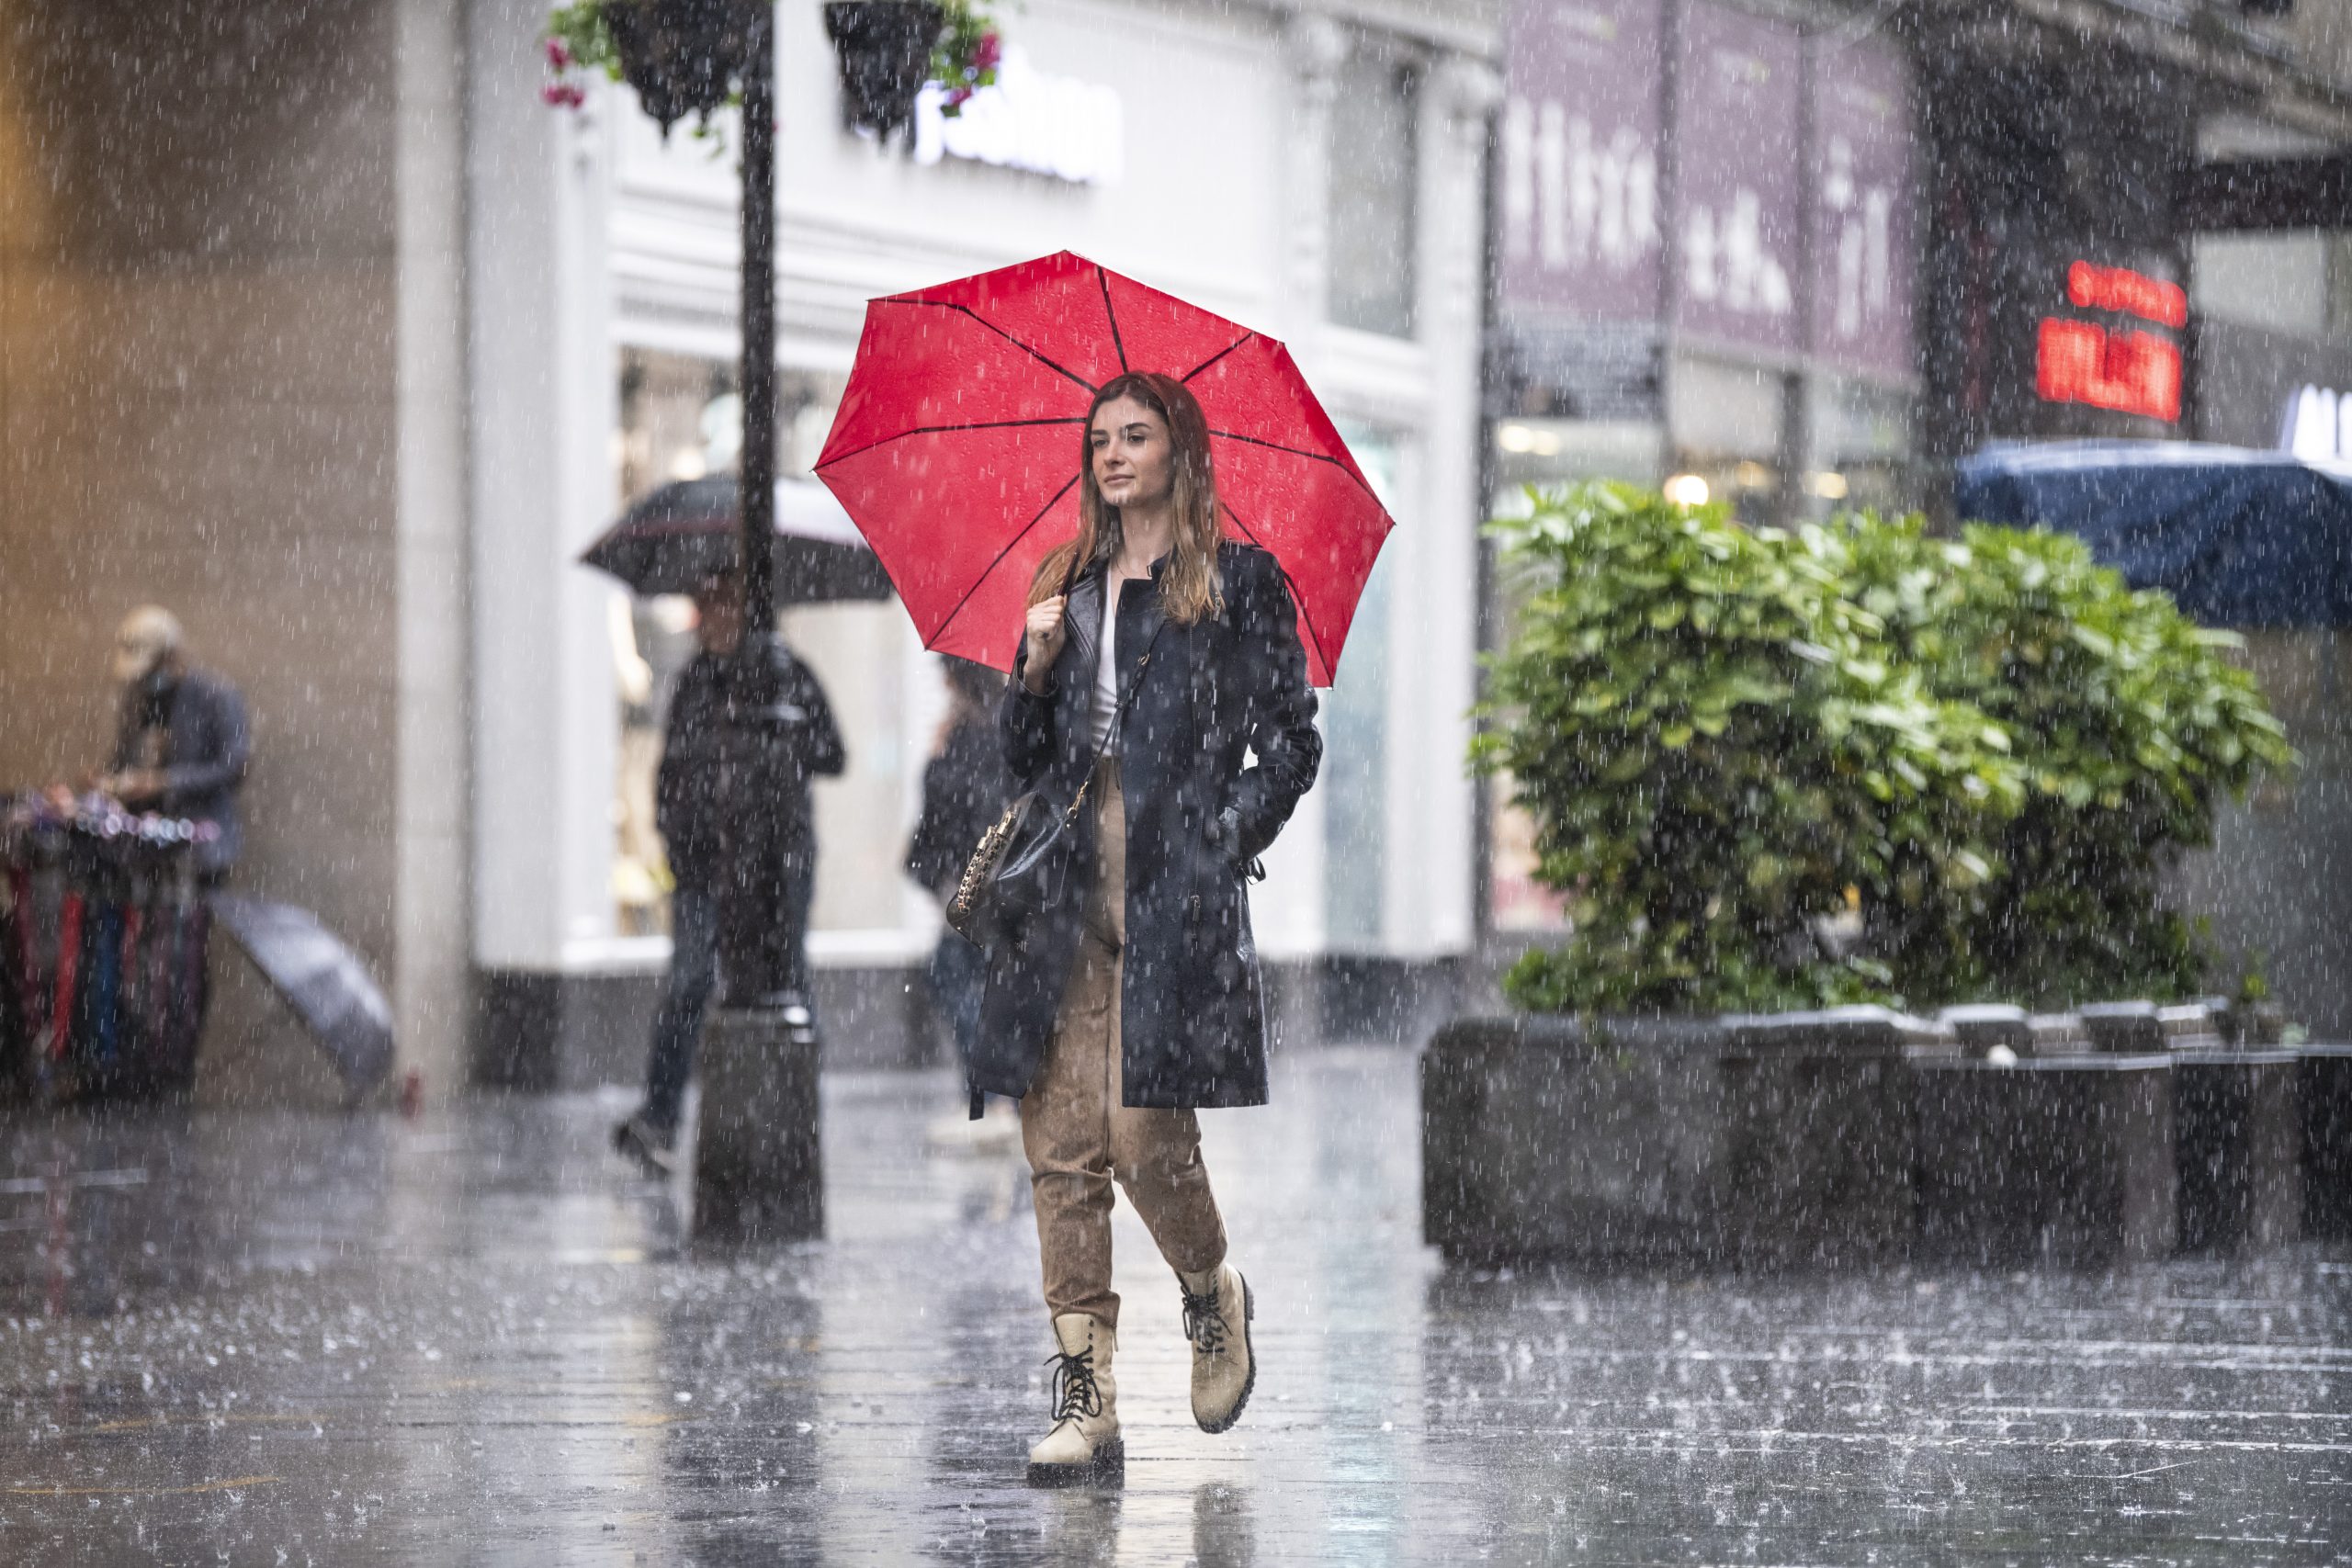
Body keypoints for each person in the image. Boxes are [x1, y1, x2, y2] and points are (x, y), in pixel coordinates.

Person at [980, 371, 1321, 1484]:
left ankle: (1208, 1290)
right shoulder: (1064, 585)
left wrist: (1223, 833)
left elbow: (1293, 745)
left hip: (1173, 883)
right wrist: (1031, 673)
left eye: (1136, 436)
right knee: (1059, 1147)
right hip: (1062, 884)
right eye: (1098, 440)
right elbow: (1021, 765)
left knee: (1139, 1136)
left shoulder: (1238, 585)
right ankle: (1087, 1395)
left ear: (1182, 450)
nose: (1112, 455)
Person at [614, 571, 845, 1173]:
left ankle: (797, 1114)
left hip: (776, 863)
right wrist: (675, 837)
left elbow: (832, 752)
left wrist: (778, 728)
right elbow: (672, 772)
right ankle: (659, 1119)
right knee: (690, 981)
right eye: (702, 604)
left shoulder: (784, 669)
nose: (708, 617)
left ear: (744, 607)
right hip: (704, 866)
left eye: (720, 603)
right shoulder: (695, 680)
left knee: (788, 980)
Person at [904, 656, 1017, 1154]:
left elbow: (954, 813)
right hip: (996, 889)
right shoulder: (1001, 725)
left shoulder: (969, 736)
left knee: (954, 979)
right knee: (974, 987)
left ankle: (993, 1100)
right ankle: (996, 1099)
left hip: (977, 892)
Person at [99, 605, 251, 881]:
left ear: (170, 656)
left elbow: (233, 768)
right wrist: (108, 782)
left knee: (192, 919)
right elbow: (123, 757)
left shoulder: (217, 696)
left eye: (148, 672)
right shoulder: (136, 697)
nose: (143, 681)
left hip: (202, 846)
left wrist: (167, 781)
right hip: (143, 849)